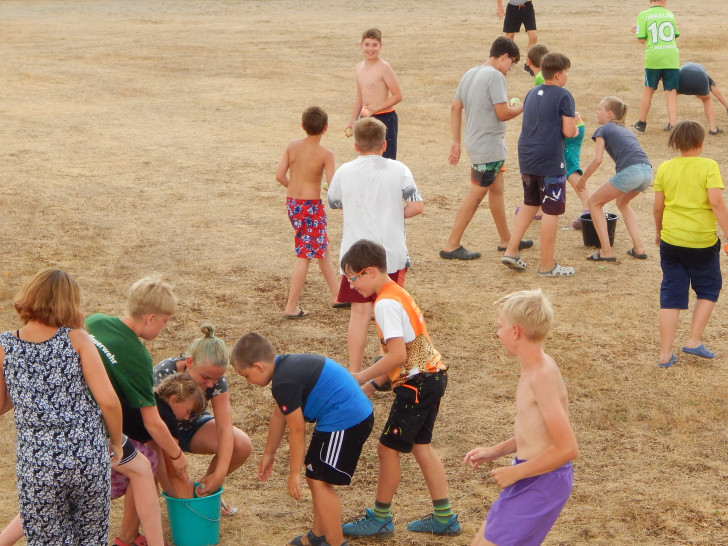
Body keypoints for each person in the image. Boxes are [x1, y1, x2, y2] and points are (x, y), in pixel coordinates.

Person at [340, 240, 460, 538]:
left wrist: (358, 377)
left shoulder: (385, 304)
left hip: (416, 385)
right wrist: (371, 384)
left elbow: (397, 356)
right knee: (421, 446)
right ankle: (444, 517)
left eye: (352, 278)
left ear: (368, 272)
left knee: (386, 449)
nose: (352, 287)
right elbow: (406, 349)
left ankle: (380, 518)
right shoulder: (396, 293)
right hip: (432, 377)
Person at [0, 269, 123, 545]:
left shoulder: (4, 345)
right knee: (91, 538)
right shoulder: (77, 339)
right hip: (87, 455)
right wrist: (116, 441)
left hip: (38, 464)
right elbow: (109, 402)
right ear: (70, 303)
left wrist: (25, 393)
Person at [230, 333, 374, 546]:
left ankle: (336, 542)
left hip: (346, 420)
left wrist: (293, 473)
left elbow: (297, 430)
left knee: (319, 480)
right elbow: (279, 414)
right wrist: (269, 453)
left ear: (259, 367)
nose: (248, 381)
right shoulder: (284, 370)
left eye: (245, 375)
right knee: (316, 475)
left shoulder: (284, 381)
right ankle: (318, 535)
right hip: (335, 419)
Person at [465, 289, 579, 546]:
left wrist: (517, 473)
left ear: (515, 332)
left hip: (542, 482)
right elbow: (536, 431)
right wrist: (495, 451)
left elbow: (568, 448)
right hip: (531, 474)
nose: (497, 333)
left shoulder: (541, 376)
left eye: (500, 326)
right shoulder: (534, 369)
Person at [86, 274, 184, 546]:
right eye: (164, 321)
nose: (164, 327)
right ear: (150, 318)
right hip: (95, 431)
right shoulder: (139, 357)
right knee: (147, 461)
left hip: (68, 416)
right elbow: (152, 422)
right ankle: (130, 538)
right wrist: (176, 455)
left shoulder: (95, 321)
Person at [327, 117, 423, 374]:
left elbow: (334, 202)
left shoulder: (343, 172)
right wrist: (391, 213)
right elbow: (416, 205)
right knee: (389, 310)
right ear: (384, 144)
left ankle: (354, 372)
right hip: (389, 255)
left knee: (359, 314)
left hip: (355, 255)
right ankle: (384, 372)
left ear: (356, 146)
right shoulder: (399, 169)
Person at [440, 36, 531, 261]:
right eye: (512, 62)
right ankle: (452, 244)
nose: (510, 68)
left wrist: (456, 141)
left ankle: (506, 239)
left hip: (478, 142)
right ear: (504, 57)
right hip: (488, 146)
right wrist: (523, 106)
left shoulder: (471, 72)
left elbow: (455, 107)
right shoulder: (495, 76)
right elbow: (503, 113)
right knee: (476, 195)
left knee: (496, 189)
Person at [153, 323, 253, 513]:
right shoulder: (165, 372)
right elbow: (154, 423)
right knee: (180, 491)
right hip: (161, 436)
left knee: (241, 444)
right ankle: (183, 500)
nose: (211, 384)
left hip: (191, 429)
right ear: (189, 362)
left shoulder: (215, 380)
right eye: (206, 377)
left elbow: (224, 429)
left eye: (216, 379)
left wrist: (218, 475)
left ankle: (203, 492)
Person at [653, 121, 728, 367]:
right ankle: (693, 341)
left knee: (671, 294)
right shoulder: (709, 166)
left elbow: (658, 207)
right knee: (709, 288)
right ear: (701, 142)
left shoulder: (664, 168)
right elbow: (716, 203)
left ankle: (665, 355)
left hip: (671, 240)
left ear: (675, 143)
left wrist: (658, 231)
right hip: (701, 242)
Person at [501, 52, 578, 277]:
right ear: (557, 73)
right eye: (566, 71)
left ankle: (511, 250)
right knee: (551, 210)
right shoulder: (564, 96)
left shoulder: (532, 92)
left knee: (530, 202)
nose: (567, 75)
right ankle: (547, 265)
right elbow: (567, 131)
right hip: (550, 159)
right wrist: (574, 129)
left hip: (527, 157)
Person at [276, 106, 343, 318]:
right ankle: (291, 306)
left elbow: (279, 175)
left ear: (303, 126)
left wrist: (294, 188)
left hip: (293, 204)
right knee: (305, 254)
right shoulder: (326, 154)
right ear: (326, 128)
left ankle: (338, 294)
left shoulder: (292, 146)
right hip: (311, 207)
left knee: (322, 245)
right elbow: (333, 184)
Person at [576, 97, 652, 261]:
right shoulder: (625, 129)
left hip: (631, 172)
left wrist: (583, 180)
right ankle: (638, 249)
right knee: (622, 202)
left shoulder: (602, 130)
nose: (597, 112)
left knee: (594, 203)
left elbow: (597, 160)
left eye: (600, 109)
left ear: (610, 114)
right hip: (647, 171)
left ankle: (606, 251)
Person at [123, 372, 206, 499]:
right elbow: (176, 471)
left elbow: (157, 455)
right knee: (143, 478)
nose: (187, 417)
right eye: (189, 411)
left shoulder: (151, 398)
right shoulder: (167, 419)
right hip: (114, 447)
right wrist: (189, 503)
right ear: (173, 399)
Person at [344, 28, 402, 160]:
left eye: (374, 45)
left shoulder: (384, 67)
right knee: (366, 157)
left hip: (385, 118)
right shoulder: (358, 68)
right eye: (367, 44)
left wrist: (375, 109)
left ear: (380, 46)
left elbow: (397, 95)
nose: (370, 49)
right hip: (366, 118)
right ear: (361, 45)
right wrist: (352, 121)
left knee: (386, 159)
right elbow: (359, 98)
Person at [633, 0, 679, 133]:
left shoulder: (643, 15)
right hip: (671, 56)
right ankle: (673, 125)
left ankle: (641, 123)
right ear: (664, 1)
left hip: (654, 57)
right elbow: (673, 36)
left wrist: (635, 30)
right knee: (671, 92)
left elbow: (641, 39)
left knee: (649, 89)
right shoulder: (670, 14)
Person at [677, 62, 728, 135]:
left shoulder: (683, 67)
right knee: (707, 99)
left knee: (671, 97)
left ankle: (672, 124)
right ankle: (713, 129)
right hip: (700, 80)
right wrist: (726, 106)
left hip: (682, 78)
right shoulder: (703, 73)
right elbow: (717, 92)